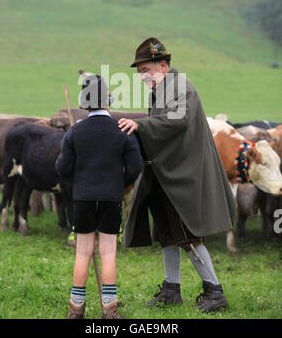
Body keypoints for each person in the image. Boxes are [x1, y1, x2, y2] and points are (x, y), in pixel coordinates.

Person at [119, 37, 237, 313]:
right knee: (167, 234)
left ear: (163, 65)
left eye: (146, 70)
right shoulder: (161, 89)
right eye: (139, 73)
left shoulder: (181, 87)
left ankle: (215, 291)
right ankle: (172, 290)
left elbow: (178, 120)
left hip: (183, 175)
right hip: (165, 172)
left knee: (187, 236)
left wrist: (141, 125)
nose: (143, 77)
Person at [55, 74, 143, 319]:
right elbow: (135, 167)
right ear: (109, 101)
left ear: (84, 105)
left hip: (82, 198)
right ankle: (110, 311)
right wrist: (119, 183)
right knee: (108, 253)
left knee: (82, 253)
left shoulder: (75, 132)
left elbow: (62, 168)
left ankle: (75, 311)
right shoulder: (123, 130)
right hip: (111, 199)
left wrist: (80, 181)